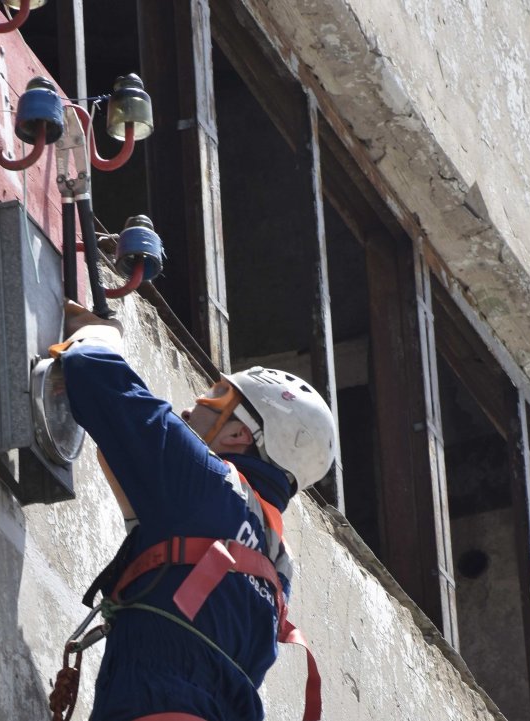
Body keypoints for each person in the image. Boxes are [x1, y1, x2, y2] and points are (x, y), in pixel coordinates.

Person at [54, 301, 336, 721]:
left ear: (241, 432)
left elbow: (93, 371)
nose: (192, 407)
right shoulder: (276, 569)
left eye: (217, 397)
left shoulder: (205, 484)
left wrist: (101, 331)